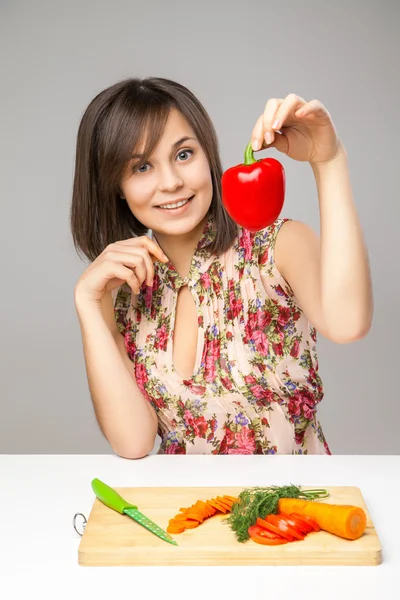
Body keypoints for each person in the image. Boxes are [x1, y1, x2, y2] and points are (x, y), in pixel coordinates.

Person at [70, 77, 373, 458]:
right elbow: (133, 442)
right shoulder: (128, 293)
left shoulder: (275, 246)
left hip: (292, 511)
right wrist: (87, 301)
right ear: (116, 185)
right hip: (191, 513)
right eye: (143, 167)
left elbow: (349, 323)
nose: (172, 182)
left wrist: (328, 161)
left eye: (183, 155)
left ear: (207, 153)